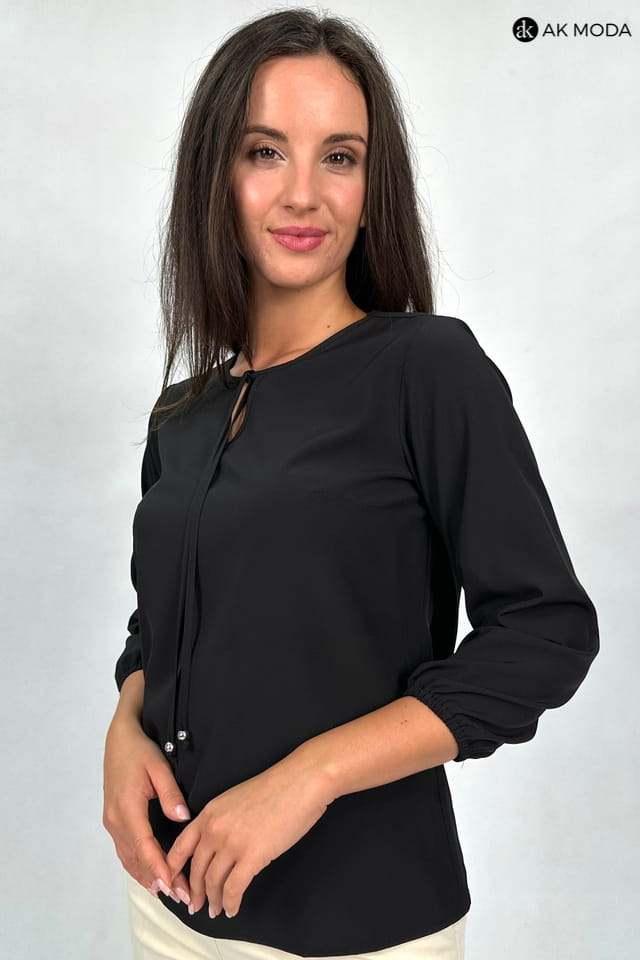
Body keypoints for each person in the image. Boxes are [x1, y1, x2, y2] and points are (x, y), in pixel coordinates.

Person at [102, 8, 600, 960]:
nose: (303, 193)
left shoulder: (427, 370)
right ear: (215, 181)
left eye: (339, 157)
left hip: (364, 925)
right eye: (264, 152)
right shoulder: (182, 416)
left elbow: (545, 631)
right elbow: (158, 631)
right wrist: (124, 729)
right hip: (170, 907)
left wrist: (311, 776)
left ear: (373, 192)